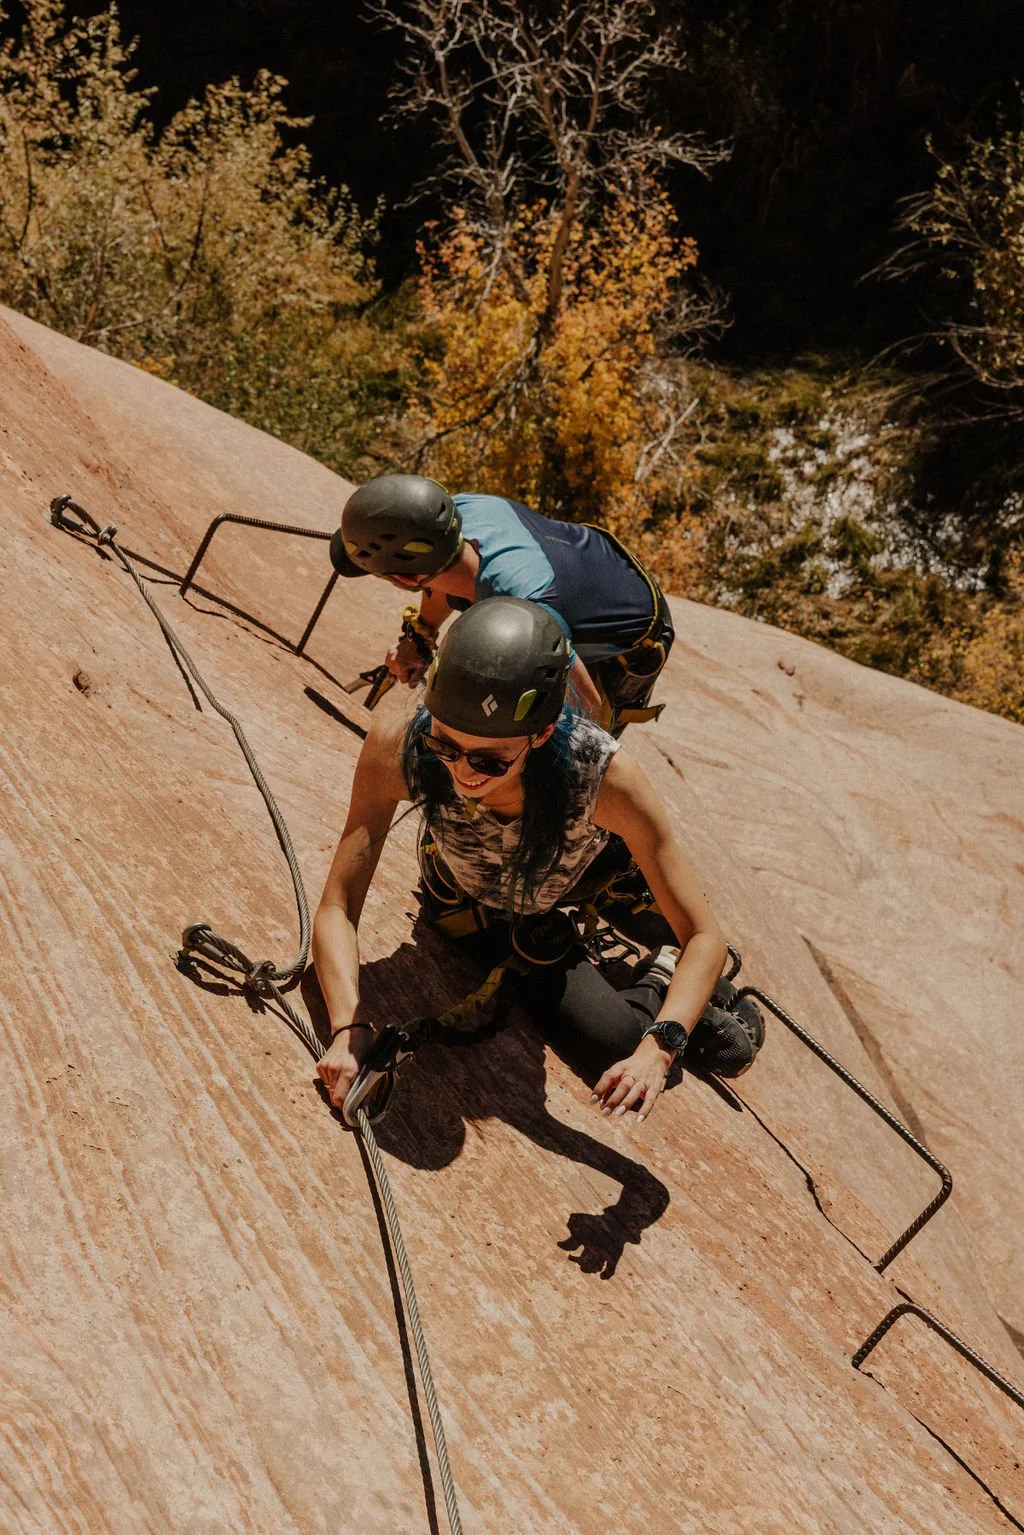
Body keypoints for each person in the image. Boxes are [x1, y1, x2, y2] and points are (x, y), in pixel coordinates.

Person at [314, 596, 764, 1124]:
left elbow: (704, 937)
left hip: (588, 875)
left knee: (642, 1033)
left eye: (489, 758)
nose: (464, 771)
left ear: (543, 732)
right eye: (445, 746)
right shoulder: (399, 748)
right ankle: (561, 941)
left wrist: (659, 1049)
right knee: (610, 1037)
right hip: (474, 894)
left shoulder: (604, 778)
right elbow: (338, 905)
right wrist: (347, 1026)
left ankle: (662, 971)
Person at [330, 473, 674, 736]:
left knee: (558, 752)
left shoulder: (527, 613)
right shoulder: (456, 511)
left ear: (405, 579)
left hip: (634, 635)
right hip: (593, 566)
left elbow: (589, 714)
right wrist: (422, 635)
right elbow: (439, 576)